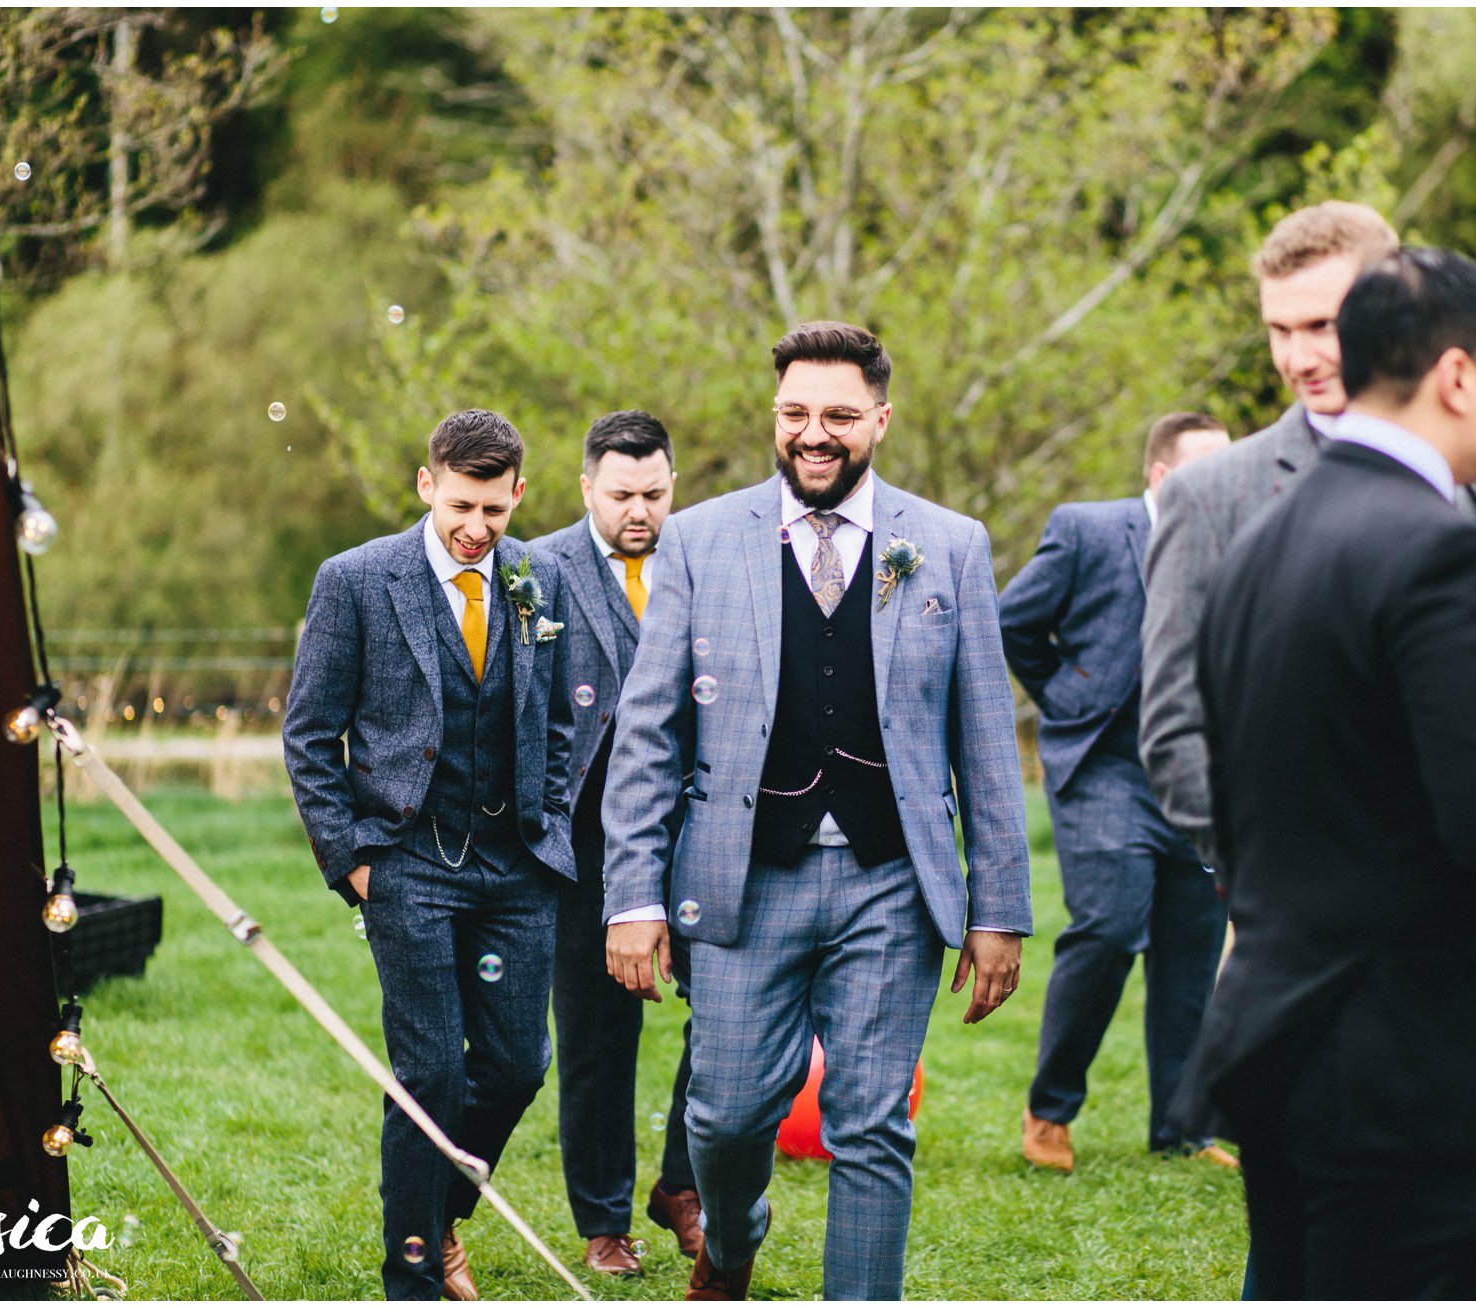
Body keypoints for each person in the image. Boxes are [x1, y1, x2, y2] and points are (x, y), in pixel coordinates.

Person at [1173, 247, 1476, 1299]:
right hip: (1408, 1075)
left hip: (1279, 1035)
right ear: (1457, 376)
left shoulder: (1265, 536)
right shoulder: (1435, 552)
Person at [599, 321, 1033, 1301]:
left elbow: (984, 737)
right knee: (725, 1117)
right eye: (795, 413)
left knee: (872, 1125)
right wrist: (633, 896)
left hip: (892, 880)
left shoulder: (950, 546)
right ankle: (733, 1238)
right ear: (775, 417)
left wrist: (997, 909)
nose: (814, 434)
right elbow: (649, 733)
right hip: (744, 876)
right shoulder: (702, 538)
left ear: (879, 418)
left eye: (838, 415)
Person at [1140, 202, 1476, 870]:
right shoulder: (1209, 498)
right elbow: (1176, 735)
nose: (1299, 358)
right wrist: (1282, 879)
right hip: (1327, 936)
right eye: (1279, 330)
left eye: (1322, 325)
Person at [283, 410, 576, 1301]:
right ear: (426, 485)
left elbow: (561, 723)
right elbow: (308, 735)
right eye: (459, 505)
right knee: (429, 1071)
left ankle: (438, 1210)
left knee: (521, 1062)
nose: (476, 527)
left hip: (516, 869)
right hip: (404, 860)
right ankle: (408, 1276)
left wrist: (549, 823)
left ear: (519, 494)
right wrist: (354, 861)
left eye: (494, 509)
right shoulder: (358, 581)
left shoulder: (541, 575)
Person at [1000, 412, 1235, 1174]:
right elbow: (1015, 622)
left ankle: (1183, 1126)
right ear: (1162, 476)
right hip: (1105, 764)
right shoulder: (1090, 531)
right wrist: (1067, 694)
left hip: (1200, 773)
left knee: (1193, 950)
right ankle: (1050, 1109)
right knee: (1109, 923)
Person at [529, 411, 702, 1276]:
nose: (641, 511)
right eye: (624, 494)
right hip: (584, 846)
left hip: (705, 830)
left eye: (656, 494)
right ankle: (603, 1222)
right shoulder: (538, 569)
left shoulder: (705, 556)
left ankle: (682, 1183)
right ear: (587, 488)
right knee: (597, 1041)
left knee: (731, 1018)